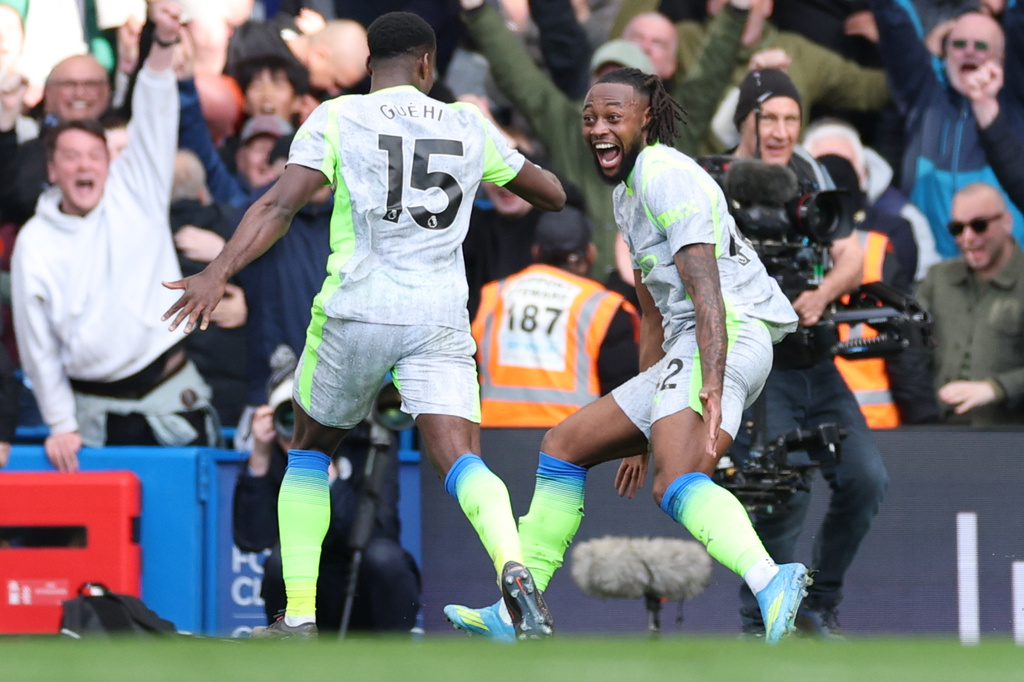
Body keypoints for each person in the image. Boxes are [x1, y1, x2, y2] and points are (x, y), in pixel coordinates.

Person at [162, 11, 567, 640]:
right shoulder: (466, 125)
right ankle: (514, 570)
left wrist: (217, 272)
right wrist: (493, 158)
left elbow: (277, 204)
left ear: (371, 66)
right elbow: (551, 195)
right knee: (460, 457)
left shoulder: (337, 116)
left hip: (358, 308)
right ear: (429, 64)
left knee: (309, 451)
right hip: (437, 316)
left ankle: (297, 615)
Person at [446, 67, 809, 646]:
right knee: (563, 448)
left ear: (647, 119)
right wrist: (643, 414)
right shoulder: (627, 194)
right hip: (686, 345)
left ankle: (772, 579)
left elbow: (707, 291)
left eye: (614, 116)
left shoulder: (666, 175)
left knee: (676, 482)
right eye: (590, 118)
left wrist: (709, 383)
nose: (598, 128)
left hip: (728, 333)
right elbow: (653, 312)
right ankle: (520, 613)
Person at [10, 1, 221, 474]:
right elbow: (35, 343)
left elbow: (154, 111)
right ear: (51, 169)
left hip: (170, 396)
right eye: (70, 157)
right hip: (91, 415)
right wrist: (60, 421)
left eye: (93, 155)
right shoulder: (34, 241)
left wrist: (163, 44)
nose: (84, 165)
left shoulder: (137, 189)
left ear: (111, 163)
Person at [726, 68, 888, 638]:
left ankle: (817, 606)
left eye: (790, 118)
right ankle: (758, 624)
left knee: (867, 479)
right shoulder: (715, 178)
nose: (779, 130)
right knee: (779, 495)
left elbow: (852, 253)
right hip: (761, 367)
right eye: (767, 117)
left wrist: (819, 295)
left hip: (817, 359)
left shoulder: (810, 171)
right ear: (744, 120)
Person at [233, 346, 421, 633]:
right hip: (307, 585)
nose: (299, 427)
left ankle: (393, 655)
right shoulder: (272, 450)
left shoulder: (369, 442)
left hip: (361, 580)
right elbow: (253, 539)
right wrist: (259, 457)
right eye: (290, 416)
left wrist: (326, 477)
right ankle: (291, 646)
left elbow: (381, 531)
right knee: (278, 562)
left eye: (306, 415)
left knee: (385, 559)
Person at [869, 1, 1024, 259]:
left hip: (1006, 271)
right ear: (945, 51)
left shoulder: (1014, 101)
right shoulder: (924, 94)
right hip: (931, 272)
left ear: (1002, 57)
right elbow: (894, 23)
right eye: (959, 44)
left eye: (981, 45)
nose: (969, 52)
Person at [472, 206, 640, 427]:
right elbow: (623, 396)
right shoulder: (603, 306)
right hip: (573, 444)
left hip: (494, 440)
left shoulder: (492, 296)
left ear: (536, 251)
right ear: (590, 254)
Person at [915, 182, 1024, 426]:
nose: (967, 238)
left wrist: (995, 388)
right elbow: (912, 352)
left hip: (1011, 436)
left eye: (979, 225)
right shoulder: (938, 279)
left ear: (1007, 222)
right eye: (957, 228)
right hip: (940, 433)